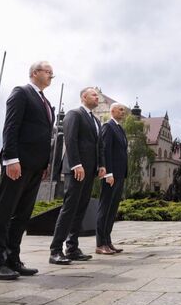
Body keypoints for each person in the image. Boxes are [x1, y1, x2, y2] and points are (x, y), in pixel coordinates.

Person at [0, 61, 56, 279]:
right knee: (5, 212)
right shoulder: (21, 93)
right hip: (18, 163)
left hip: (36, 166)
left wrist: (45, 164)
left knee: (22, 215)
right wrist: (11, 159)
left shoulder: (46, 101)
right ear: (35, 73)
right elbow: (11, 127)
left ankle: (12, 258)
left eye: (52, 72)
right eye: (47, 71)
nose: (52, 75)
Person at [48, 87, 106, 264]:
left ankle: (72, 247)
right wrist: (76, 164)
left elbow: (99, 146)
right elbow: (70, 139)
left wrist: (101, 165)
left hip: (90, 171)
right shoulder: (74, 114)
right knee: (69, 209)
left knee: (81, 209)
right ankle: (56, 250)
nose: (97, 97)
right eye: (94, 95)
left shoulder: (96, 121)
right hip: (76, 169)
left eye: (98, 95)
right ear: (83, 97)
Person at [95, 103, 128, 255]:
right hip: (111, 175)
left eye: (124, 110)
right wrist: (108, 173)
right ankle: (100, 243)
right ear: (112, 111)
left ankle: (107, 241)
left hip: (120, 174)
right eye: (121, 109)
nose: (123, 112)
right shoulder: (108, 126)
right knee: (105, 208)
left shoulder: (120, 128)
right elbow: (105, 150)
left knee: (112, 208)